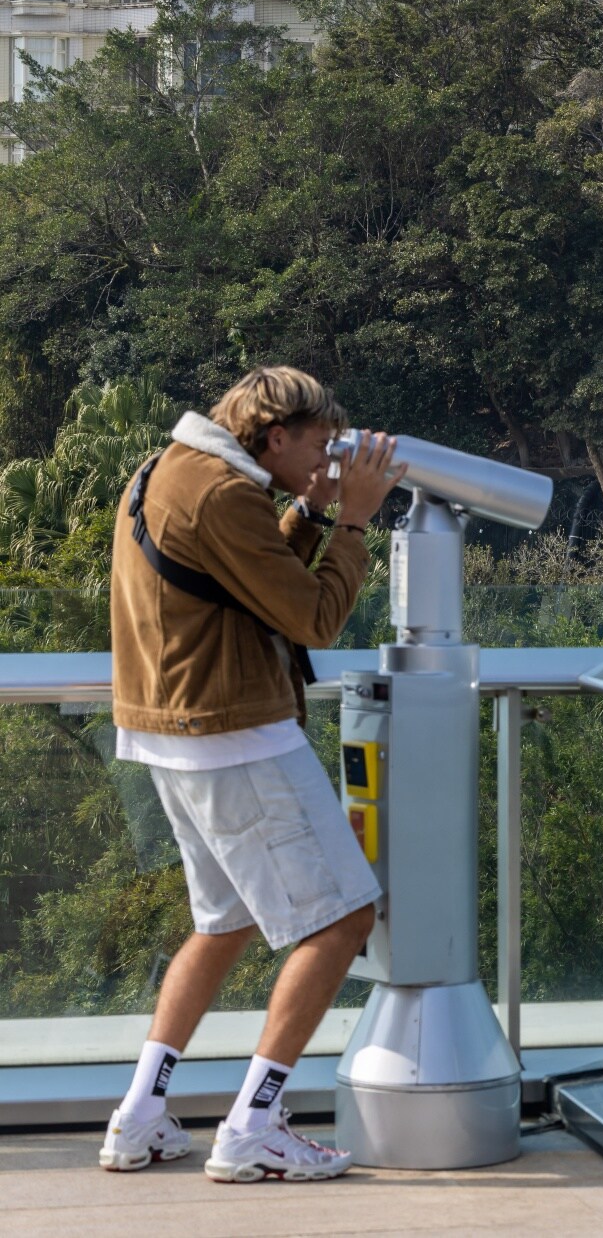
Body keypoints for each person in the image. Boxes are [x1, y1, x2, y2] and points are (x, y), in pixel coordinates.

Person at [100, 367, 402, 1182]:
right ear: (274, 437)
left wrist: (306, 509)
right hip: (232, 735)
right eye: (317, 444)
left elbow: (247, 578)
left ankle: (139, 1115)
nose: (325, 458)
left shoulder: (166, 472)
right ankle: (253, 1123)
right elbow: (310, 615)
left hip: (170, 731)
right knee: (343, 920)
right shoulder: (224, 496)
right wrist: (355, 521)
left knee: (223, 921)